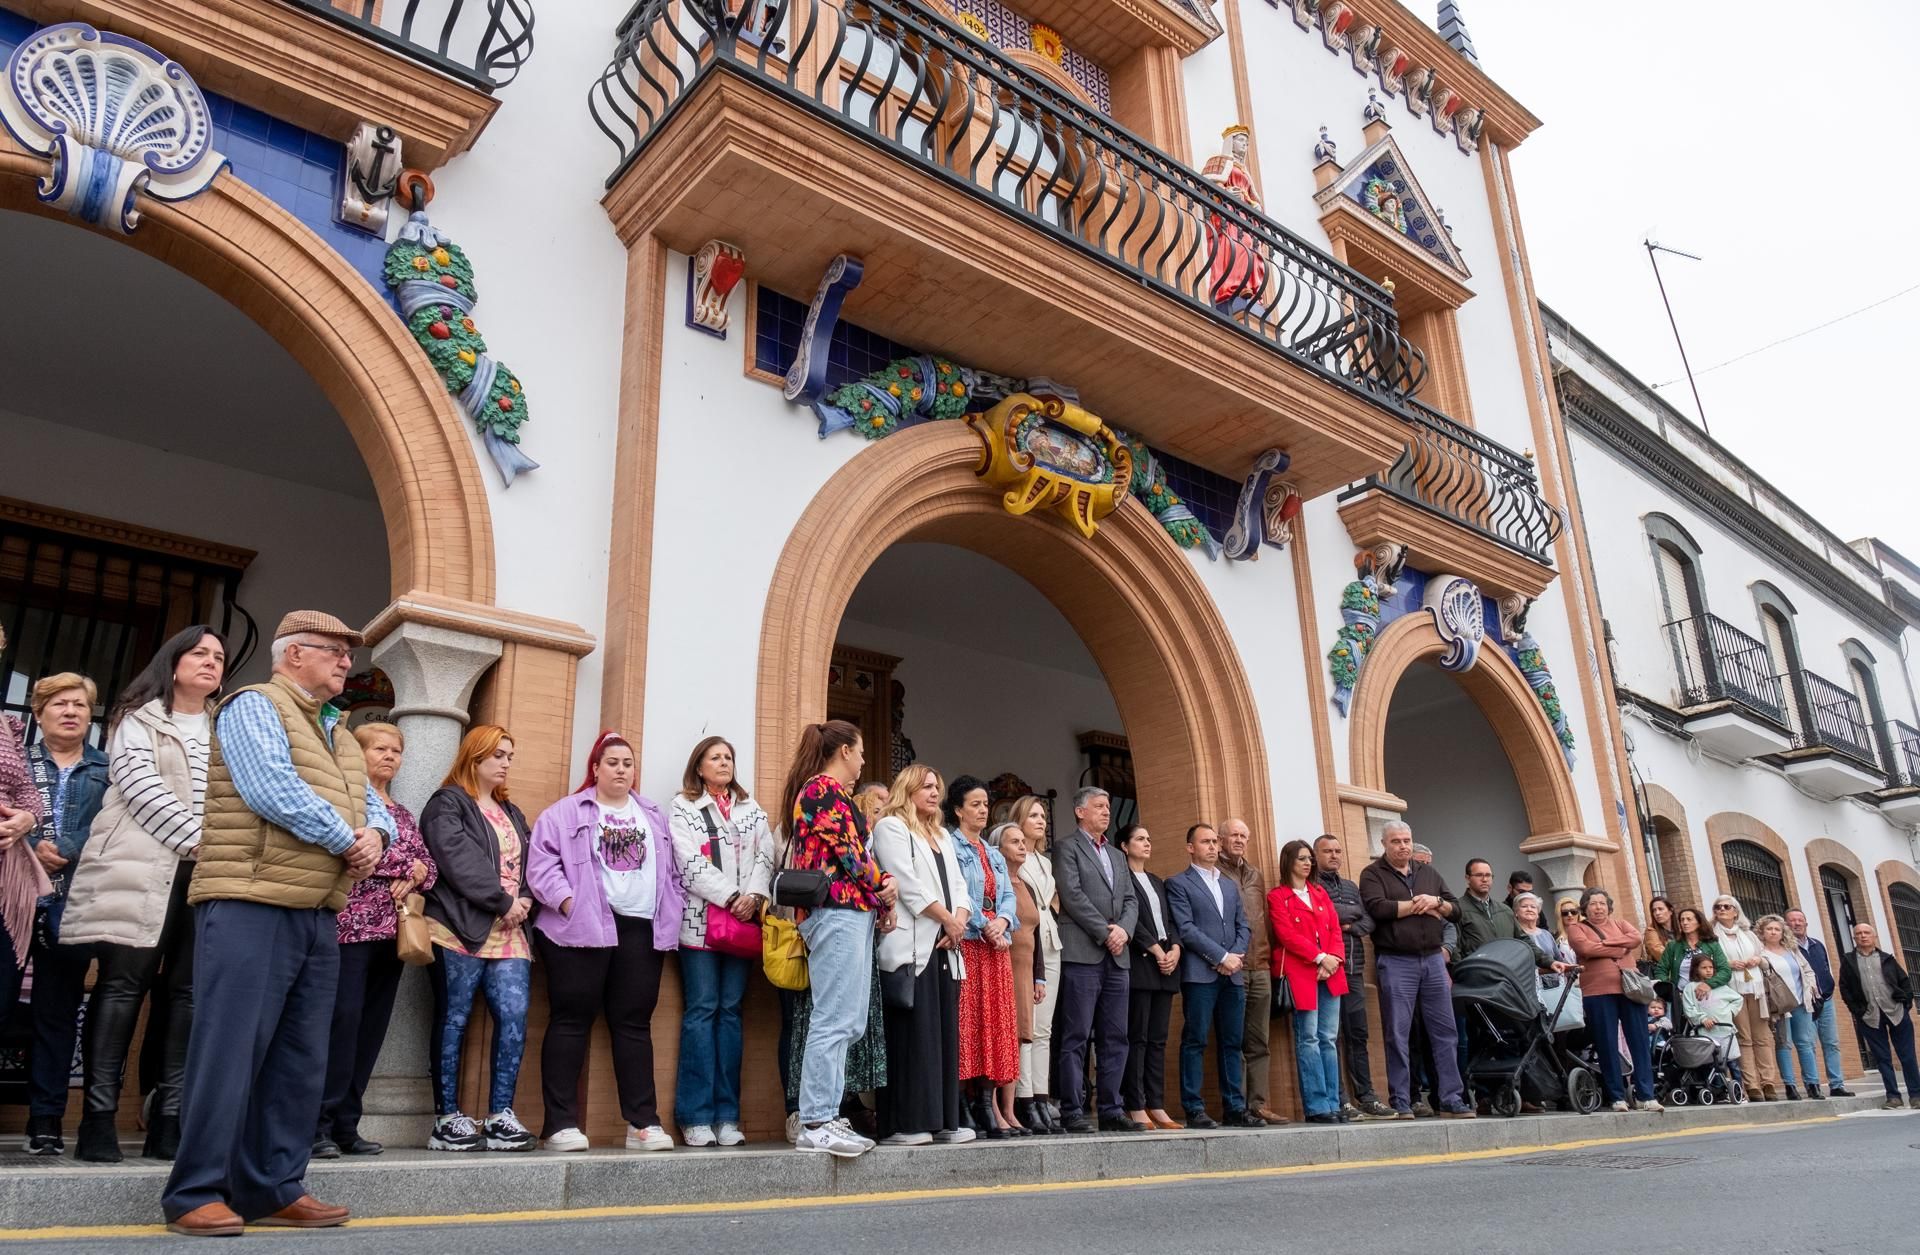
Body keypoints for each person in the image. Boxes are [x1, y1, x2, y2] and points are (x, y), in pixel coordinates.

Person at [161, 611, 389, 1236]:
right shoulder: (253, 705)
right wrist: (351, 841)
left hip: (317, 911)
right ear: (293, 655)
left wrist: (377, 835)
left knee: (299, 1060)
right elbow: (271, 789)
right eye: (335, 653)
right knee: (229, 1051)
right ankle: (195, 1191)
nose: (347, 663)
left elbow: (374, 807)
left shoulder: (341, 732)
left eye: (349, 654)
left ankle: (274, 1185)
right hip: (249, 903)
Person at [61, 625, 226, 1163]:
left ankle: (168, 1121)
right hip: (144, 865)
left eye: (219, 657)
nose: (210, 662)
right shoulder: (137, 718)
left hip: (205, 876)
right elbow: (139, 787)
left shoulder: (227, 725)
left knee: (187, 995)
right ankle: (98, 1121)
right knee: (121, 987)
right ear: (172, 662)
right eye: (199, 653)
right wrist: (202, 843)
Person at [526, 730, 681, 1153]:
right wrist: (568, 901)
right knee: (570, 1019)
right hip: (579, 930)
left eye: (627, 763)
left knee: (634, 1025)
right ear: (595, 768)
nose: (621, 770)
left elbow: (671, 873)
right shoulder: (565, 812)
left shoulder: (651, 813)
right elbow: (541, 864)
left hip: (640, 930)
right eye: (612, 762)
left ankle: (643, 1123)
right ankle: (559, 1125)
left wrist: (671, 910)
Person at [315, 722, 436, 1158]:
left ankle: (347, 1124)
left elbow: (428, 864)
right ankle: (318, 1125)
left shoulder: (401, 813)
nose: (390, 756)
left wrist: (417, 872)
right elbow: (357, 850)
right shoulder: (346, 798)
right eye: (380, 748)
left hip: (393, 934)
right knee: (340, 1023)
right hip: (349, 928)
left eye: (396, 750)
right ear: (357, 753)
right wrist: (407, 868)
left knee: (370, 1030)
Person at [782, 720, 897, 1157]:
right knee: (833, 1018)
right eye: (861, 751)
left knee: (849, 1020)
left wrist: (880, 902)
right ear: (845, 750)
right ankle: (816, 1119)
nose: (864, 760)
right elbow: (852, 854)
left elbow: (854, 854)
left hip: (851, 911)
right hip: (833, 912)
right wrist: (885, 887)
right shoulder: (820, 790)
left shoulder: (837, 795)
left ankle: (826, 1113)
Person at [420, 724, 535, 1153]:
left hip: (510, 930)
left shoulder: (511, 810)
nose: (506, 762)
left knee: (514, 1015)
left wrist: (523, 899)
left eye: (510, 755)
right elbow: (457, 859)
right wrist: (501, 900)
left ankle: (500, 1115)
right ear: (475, 757)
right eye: (499, 755)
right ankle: (447, 1118)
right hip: (459, 926)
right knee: (455, 1017)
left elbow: (528, 863)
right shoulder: (447, 804)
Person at [669, 734, 774, 1148]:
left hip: (743, 927)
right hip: (699, 927)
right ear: (699, 766)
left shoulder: (751, 809)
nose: (723, 762)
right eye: (715, 757)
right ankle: (695, 1116)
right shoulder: (683, 807)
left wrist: (754, 897)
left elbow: (767, 856)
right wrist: (731, 896)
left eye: (728, 757)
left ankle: (727, 1116)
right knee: (702, 1011)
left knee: (731, 1013)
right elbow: (687, 861)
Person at [20, 673, 105, 1156]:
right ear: (39, 713)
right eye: (59, 704)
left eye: (79, 705)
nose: (71, 711)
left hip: (74, 901)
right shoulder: (16, 762)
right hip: (14, 900)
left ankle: (46, 1121)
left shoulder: (108, 768)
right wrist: (33, 845)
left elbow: (110, 822)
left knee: (57, 1013)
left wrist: (68, 847)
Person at [870, 764, 970, 1147]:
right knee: (914, 1036)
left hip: (946, 943)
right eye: (925, 786)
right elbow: (906, 883)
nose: (933, 793)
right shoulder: (891, 827)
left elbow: (959, 885)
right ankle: (906, 1123)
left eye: (936, 787)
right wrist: (948, 920)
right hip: (914, 946)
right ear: (907, 790)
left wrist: (958, 919)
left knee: (943, 1034)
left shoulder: (941, 834)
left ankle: (944, 1120)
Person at [1358, 821, 1471, 1119]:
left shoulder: (1428, 873)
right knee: (1398, 1032)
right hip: (1396, 961)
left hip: (1433, 959)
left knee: (1445, 1031)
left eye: (1407, 840)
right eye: (1396, 841)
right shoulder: (1372, 874)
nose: (1403, 846)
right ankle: (1401, 1099)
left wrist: (1437, 903)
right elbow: (1378, 909)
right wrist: (1417, 905)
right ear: (1384, 844)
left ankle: (1451, 1098)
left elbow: (1455, 909)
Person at [1054, 785, 1138, 1133]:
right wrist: (1106, 931)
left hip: (1118, 958)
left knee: (1115, 1037)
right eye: (1099, 806)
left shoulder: (1118, 856)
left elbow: (1131, 899)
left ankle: (1111, 1108)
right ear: (1080, 811)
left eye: (1107, 806)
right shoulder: (1066, 848)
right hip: (1082, 953)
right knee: (1075, 1035)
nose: (1106, 811)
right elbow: (1071, 895)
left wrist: (1124, 932)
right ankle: (1073, 1108)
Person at [1166, 823, 1257, 1128]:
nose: (1212, 847)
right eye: (1204, 842)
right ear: (1190, 847)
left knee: (1233, 1042)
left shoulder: (1229, 885)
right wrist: (1220, 957)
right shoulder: (1178, 883)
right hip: (1200, 974)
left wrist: (1234, 956)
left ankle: (1235, 1107)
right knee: (1195, 1040)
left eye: (1214, 842)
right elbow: (1186, 928)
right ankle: (1194, 1108)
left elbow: (1243, 925)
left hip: (1231, 974)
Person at [949, 774, 1021, 1136]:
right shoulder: (950, 845)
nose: (982, 810)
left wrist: (1003, 921)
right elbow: (957, 892)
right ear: (958, 809)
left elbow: (1008, 894)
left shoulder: (992, 852)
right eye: (975, 804)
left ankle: (985, 1102)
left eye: (985, 804)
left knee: (996, 1023)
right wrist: (986, 924)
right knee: (968, 1023)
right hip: (970, 944)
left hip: (995, 948)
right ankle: (963, 1103)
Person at [1268, 838, 1347, 1124]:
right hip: (1302, 972)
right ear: (1288, 861)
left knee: (1329, 1038)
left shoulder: (1320, 893)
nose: (1307, 863)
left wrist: (1334, 958)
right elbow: (1286, 934)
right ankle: (1316, 1106)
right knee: (1309, 1038)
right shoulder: (1278, 896)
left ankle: (1334, 1102)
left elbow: (1336, 929)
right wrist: (1319, 958)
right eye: (1302, 858)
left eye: (1309, 858)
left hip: (1331, 972)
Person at [1566, 887, 1663, 1113]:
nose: (1598, 907)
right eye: (1592, 903)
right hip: (1598, 992)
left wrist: (1605, 946)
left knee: (1639, 1042)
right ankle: (1616, 1096)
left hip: (1631, 990)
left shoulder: (1620, 923)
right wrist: (1618, 947)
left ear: (1608, 906)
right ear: (1585, 907)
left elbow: (1636, 938)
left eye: (1601, 903)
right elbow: (1584, 947)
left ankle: (1646, 1095)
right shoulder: (1576, 928)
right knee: (1606, 1044)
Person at [1315, 834, 1387, 1119]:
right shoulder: (1314, 886)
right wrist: (1347, 916)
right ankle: (1339, 1098)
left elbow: (1368, 918)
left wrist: (1350, 926)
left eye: (1337, 851)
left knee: (1358, 1034)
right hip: (1329, 970)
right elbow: (1327, 917)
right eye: (1327, 851)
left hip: (1355, 969)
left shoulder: (1349, 886)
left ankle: (1366, 1096)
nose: (1334, 855)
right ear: (1316, 854)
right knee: (1332, 1036)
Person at [991, 815, 1052, 1133]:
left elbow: (1036, 931)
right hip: (1001, 966)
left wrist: (1039, 976)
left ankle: (1010, 1110)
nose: (1023, 846)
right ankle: (993, 1110)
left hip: (1026, 970)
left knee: (1018, 1041)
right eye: (1015, 842)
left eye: (1022, 841)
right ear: (997, 849)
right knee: (998, 1036)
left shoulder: (1025, 885)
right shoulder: (995, 881)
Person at [1007, 795, 1064, 1133]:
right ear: (1019, 819)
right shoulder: (1014, 857)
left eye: (1043, 815)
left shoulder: (1043, 861)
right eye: (1033, 815)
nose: (1041, 821)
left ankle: (1041, 1096)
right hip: (1025, 946)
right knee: (1024, 1027)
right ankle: (1024, 1097)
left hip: (1050, 943)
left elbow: (1052, 900)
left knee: (1044, 1028)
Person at [1220, 818, 1282, 1125]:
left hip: (1260, 965)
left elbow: (1263, 918)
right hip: (1231, 966)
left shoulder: (1255, 873)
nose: (1240, 840)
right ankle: (1236, 1105)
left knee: (1259, 1041)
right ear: (1220, 839)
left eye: (1244, 835)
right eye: (1234, 835)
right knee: (1233, 1039)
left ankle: (1258, 1103)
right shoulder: (1215, 871)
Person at [1121, 824, 1179, 1131]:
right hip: (1142, 963)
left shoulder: (1157, 881)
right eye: (1140, 839)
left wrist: (1176, 949)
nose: (1147, 844)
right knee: (1137, 1038)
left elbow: (1170, 921)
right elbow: (1132, 922)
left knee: (1158, 1039)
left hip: (1167, 965)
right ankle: (1135, 1103)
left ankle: (1156, 1103)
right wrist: (1156, 950)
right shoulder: (1122, 879)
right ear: (1125, 846)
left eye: (1149, 838)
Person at [1838, 922, 1920, 1110]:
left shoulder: (1887, 959)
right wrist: (1857, 1011)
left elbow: (1905, 982)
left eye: (1867, 932)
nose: (1863, 936)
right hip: (1870, 1016)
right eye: (1858, 933)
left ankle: (1916, 1095)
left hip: (1896, 1013)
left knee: (1907, 1056)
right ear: (1854, 938)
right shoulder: (1849, 961)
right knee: (1882, 1058)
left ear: (1874, 936)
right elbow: (1845, 988)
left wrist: (1906, 1003)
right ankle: (1893, 1097)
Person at [1711, 894, 1779, 1101]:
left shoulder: (1748, 934)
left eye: (1726, 906)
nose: (1722, 910)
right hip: (1733, 991)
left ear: (1735, 911)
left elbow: (1766, 958)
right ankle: (1752, 1086)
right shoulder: (1713, 936)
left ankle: (1768, 1082)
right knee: (1744, 1039)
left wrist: (1757, 959)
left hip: (1756, 989)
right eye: (1718, 907)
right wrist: (1728, 965)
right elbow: (1709, 963)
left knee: (1763, 1038)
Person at [1786, 908, 1853, 1096]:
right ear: (1786, 925)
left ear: (1806, 923)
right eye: (1792, 920)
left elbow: (1825, 969)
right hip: (1805, 1003)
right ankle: (1812, 1084)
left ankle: (1837, 1085)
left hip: (1827, 1001)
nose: (1797, 923)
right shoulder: (1788, 949)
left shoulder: (1818, 945)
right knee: (1807, 1044)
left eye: (1800, 920)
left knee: (1831, 1043)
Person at [1757, 913, 1821, 1099]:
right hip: (1781, 1006)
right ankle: (1790, 1086)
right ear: (1762, 931)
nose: (1773, 932)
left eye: (1777, 929)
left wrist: (1811, 988)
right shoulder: (1760, 954)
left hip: (1801, 1002)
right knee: (1784, 1043)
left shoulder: (1792, 949)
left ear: (1782, 932)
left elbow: (1807, 970)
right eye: (1769, 929)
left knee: (1805, 1043)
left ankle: (1813, 1084)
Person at [1456, 859, 1538, 962]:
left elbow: (1524, 940)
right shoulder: (1457, 909)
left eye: (1488, 875)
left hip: (1507, 972)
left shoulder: (1505, 910)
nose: (1485, 879)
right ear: (1467, 879)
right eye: (1479, 875)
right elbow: (1454, 949)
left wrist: (1549, 962)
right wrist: (1462, 974)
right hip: (1476, 973)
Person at [1653, 905, 1731, 995]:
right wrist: (1671, 990)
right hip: (1681, 995)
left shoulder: (1712, 945)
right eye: (1682, 920)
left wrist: (1709, 984)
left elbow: (1725, 971)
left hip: (1709, 994)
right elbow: (1661, 970)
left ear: (1699, 923)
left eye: (1689, 919)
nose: (1685, 923)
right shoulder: (1673, 946)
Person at [1681, 955, 1744, 1059]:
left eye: (1711, 967)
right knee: (1709, 1063)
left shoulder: (1721, 987)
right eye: (1704, 968)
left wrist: (1729, 1012)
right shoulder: (1690, 988)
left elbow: (1738, 999)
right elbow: (1689, 1008)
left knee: (1731, 1063)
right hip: (1705, 1034)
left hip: (1725, 1031)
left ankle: (1730, 1076)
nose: (1708, 970)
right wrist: (1702, 1019)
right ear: (1696, 969)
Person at [1643, 896, 1676, 966]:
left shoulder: (1680, 928)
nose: (1657, 913)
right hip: (1664, 972)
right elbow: (1661, 954)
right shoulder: (1651, 931)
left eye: (1660, 909)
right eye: (1654, 910)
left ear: (1670, 911)